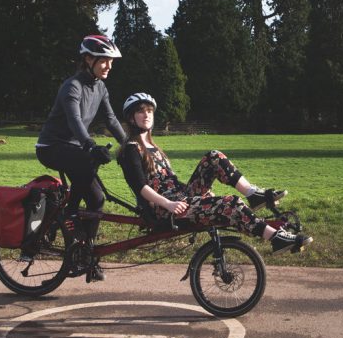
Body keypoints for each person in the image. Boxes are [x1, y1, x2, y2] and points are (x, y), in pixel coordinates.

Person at [117, 92, 311, 254]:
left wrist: (196, 195)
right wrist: (168, 204)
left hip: (182, 197)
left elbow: (171, 181)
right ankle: (275, 238)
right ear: (131, 117)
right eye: (140, 111)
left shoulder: (153, 147)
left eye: (149, 111)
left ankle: (254, 194)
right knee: (231, 203)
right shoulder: (132, 149)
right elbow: (140, 187)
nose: (146, 115)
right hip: (167, 209)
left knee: (214, 157)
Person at [35, 34, 127, 281]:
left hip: (75, 149)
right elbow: (75, 120)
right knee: (85, 166)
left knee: (97, 199)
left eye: (111, 61)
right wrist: (89, 145)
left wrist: (129, 144)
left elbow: (111, 119)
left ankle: (85, 252)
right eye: (104, 60)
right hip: (52, 146)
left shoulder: (100, 87)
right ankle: (68, 218)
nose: (109, 66)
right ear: (88, 59)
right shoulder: (71, 87)